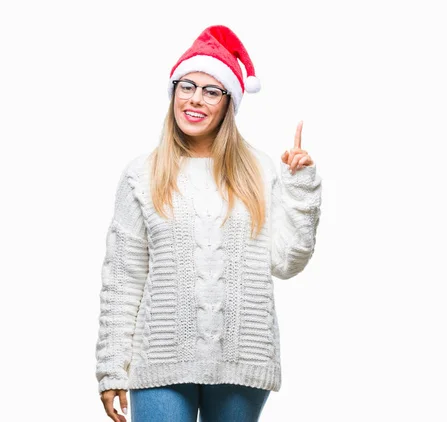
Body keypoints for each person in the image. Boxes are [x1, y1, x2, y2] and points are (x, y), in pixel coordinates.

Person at [95, 24, 323, 422]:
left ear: (229, 103)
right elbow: (123, 279)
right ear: (173, 93)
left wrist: (301, 188)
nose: (195, 99)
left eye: (211, 90)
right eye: (187, 86)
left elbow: (287, 262)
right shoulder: (141, 175)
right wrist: (111, 366)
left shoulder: (259, 170)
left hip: (241, 358)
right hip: (161, 359)